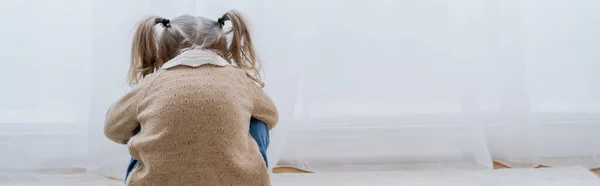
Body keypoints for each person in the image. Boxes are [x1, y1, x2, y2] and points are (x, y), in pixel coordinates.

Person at [104, 10, 278, 186]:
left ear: (162, 54)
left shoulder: (151, 83)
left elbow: (112, 128)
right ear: (223, 50)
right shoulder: (239, 79)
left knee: (140, 121)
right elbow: (271, 115)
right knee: (258, 121)